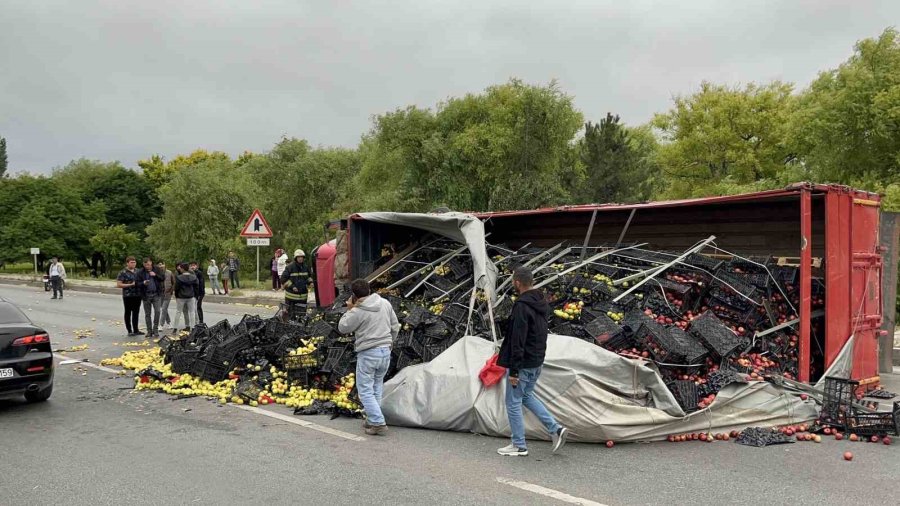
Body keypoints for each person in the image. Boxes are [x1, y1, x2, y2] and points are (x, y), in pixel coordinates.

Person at [496, 267, 568, 457]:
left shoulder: (521, 306)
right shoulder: (541, 302)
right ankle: (555, 428)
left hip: (523, 363)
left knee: (513, 402)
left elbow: (518, 339)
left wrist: (514, 371)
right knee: (526, 396)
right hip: (537, 360)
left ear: (517, 282)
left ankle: (519, 445)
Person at [337, 278, 399, 435]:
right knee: (377, 386)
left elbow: (343, 327)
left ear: (354, 295)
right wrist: (390, 342)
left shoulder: (358, 311)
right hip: (385, 352)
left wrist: (350, 309)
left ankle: (378, 422)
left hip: (369, 353)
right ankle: (372, 419)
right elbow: (395, 326)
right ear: (370, 290)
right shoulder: (385, 303)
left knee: (365, 390)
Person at [136, 258, 164, 338]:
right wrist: (143, 283)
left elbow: (162, 278)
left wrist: (155, 275)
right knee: (147, 314)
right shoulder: (140, 272)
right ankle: (149, 331)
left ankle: (155, 329)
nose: (147, 267)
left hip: (156, 294)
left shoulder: (157, 269)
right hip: (146, 295)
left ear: (151, 263)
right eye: (145, 265)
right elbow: (137, 283)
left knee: (158, 311)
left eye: (148, 265)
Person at [116, 257, 143, 337]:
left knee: (136, 312)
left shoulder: (138, 271)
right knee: (128, 312)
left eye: (134, 262)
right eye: (131, 262)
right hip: (128, 295)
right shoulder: (123, 272)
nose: (133, 264)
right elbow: (119, 284)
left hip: (137, 295)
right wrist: (130, 284)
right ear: (127, 263)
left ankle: (136, 329)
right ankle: (129, 330)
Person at [172, 263, 198, 334]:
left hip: (181, 297)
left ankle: (175, 328)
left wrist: (176, 296)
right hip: (191, 296)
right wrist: (195, 295)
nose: (179, 269)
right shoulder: (193, 277)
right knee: (192, 312)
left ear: (183, 269)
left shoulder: (179, 277)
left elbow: (176, 288)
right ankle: (193, 328)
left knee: (178, 312)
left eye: (180, 268)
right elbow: (196, 286)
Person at [158, 261, 175, 329]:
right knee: (164, 309)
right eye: (159, 264)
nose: (161, 266)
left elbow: (174, 282)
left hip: (167, 294)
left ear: (165, 265)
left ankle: (161, 325)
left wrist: (171, 291)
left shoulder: (169, 272)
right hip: (159, 294)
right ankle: (169, 322)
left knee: (164, 308)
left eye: (162, 264)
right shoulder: (156, 273)